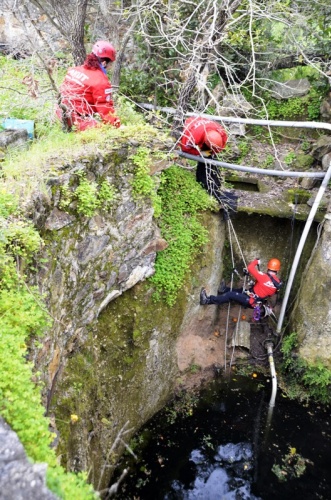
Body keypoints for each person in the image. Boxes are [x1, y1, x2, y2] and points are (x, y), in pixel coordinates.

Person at [56, 40, 120, 132]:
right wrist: (117, 126)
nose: (110, 67)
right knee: (105, 131)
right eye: (110, 64)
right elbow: (105, 109)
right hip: (75, 120)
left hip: (58, 113)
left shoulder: (74, 70)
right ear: (104, 63)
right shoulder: (101, 81)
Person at [200, 258, 282, 309]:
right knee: (240, 290)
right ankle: (224, 289)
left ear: (268, 267)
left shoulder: (263, 277)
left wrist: (256, 261)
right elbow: (266, 291)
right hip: (255, 300)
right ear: (277, 270)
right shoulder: (277, 283)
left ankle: (207, 300)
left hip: (250, 300)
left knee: (230, 295)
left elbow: (250, 267)